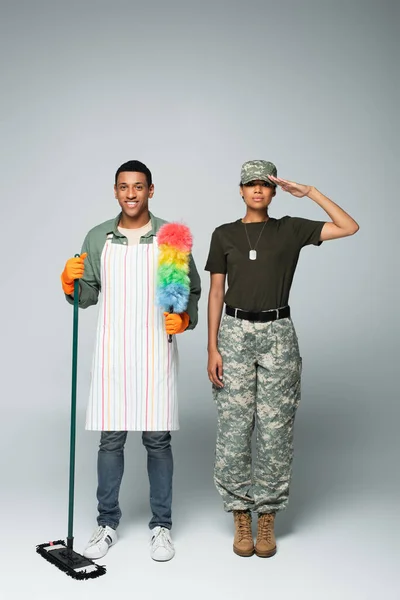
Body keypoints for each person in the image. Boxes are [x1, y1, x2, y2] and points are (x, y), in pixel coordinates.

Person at [205, 160, 359, 558]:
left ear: (273, 191)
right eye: (250, 184)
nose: (257, 190)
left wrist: (311, 192)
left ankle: (268, 514)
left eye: (264, 185)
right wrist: (212, 347)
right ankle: (241, 513)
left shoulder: (289, 228)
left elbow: (348, 226)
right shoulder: (223, 235)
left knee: (276, 429)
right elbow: (216, 294)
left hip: (277, 333)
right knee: (234, 428)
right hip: (234, 333)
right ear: (240, 190)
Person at [60, 160, 201, 562]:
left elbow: (190, 289)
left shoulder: (170, 238)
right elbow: (86, 296)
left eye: (139, 186)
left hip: (156, 348)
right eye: (124, 187)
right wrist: (69, 281)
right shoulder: (98, 237)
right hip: (114, 350)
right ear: (116, 191)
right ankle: (107, 522)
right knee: (111, 439)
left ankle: (161, 526)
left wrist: (185, 317)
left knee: (157, 439)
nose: (131, 194)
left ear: (150, 191)